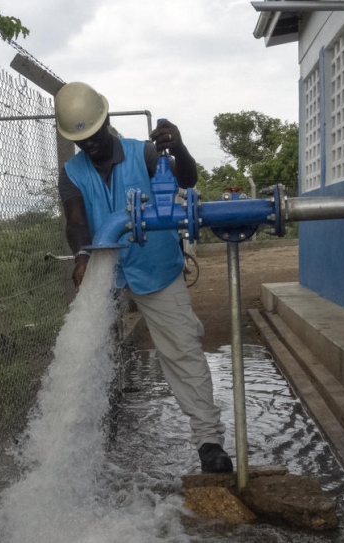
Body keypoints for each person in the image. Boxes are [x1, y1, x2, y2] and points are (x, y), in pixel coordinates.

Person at [54, 81, 233, 473]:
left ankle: (209, 442)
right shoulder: (71, 173)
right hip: (105, 270)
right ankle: (70, 441)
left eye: (94, 135)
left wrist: (180, 149)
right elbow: (76, 222)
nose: (91, 145)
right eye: (81, 140)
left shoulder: (145, 154)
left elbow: (186, 181)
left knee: (182, 348)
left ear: (106, 120)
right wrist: (83, 256)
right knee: (82, 349)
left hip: (156, 267)